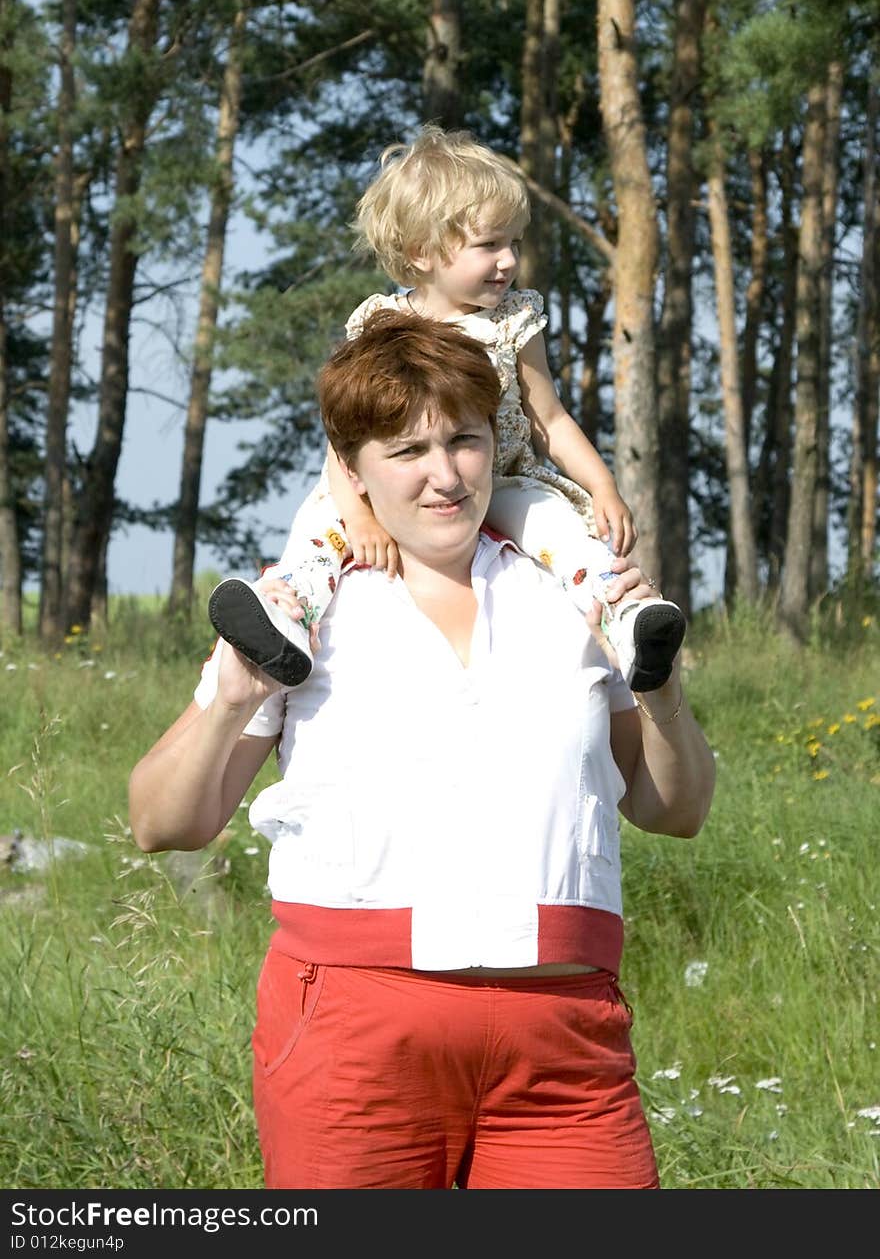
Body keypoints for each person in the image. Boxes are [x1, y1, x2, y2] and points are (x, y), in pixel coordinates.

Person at [129, 310, 716, 1191]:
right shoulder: (300, 611)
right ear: (352, 470)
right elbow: (160, 820)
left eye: (465, 442)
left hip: (563, 1041)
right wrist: (231, 705)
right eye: (407, 451)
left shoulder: (574, 595)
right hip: (355, 1035)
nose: (445, 476)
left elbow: (677, 808)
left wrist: (661, 694)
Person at [207, 125, 686, 695]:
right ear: (420, 252)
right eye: (488, 245)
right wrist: (358, 517)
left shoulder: (512, 320)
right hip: (391, 485)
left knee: (562, 531)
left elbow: (549, 418)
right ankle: (286, 616)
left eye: (514, 243)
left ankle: (624, 619)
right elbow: (345, 437)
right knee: (317, 531)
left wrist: (602, 485)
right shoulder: (380, 323)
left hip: (500, 476)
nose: (508, 261)